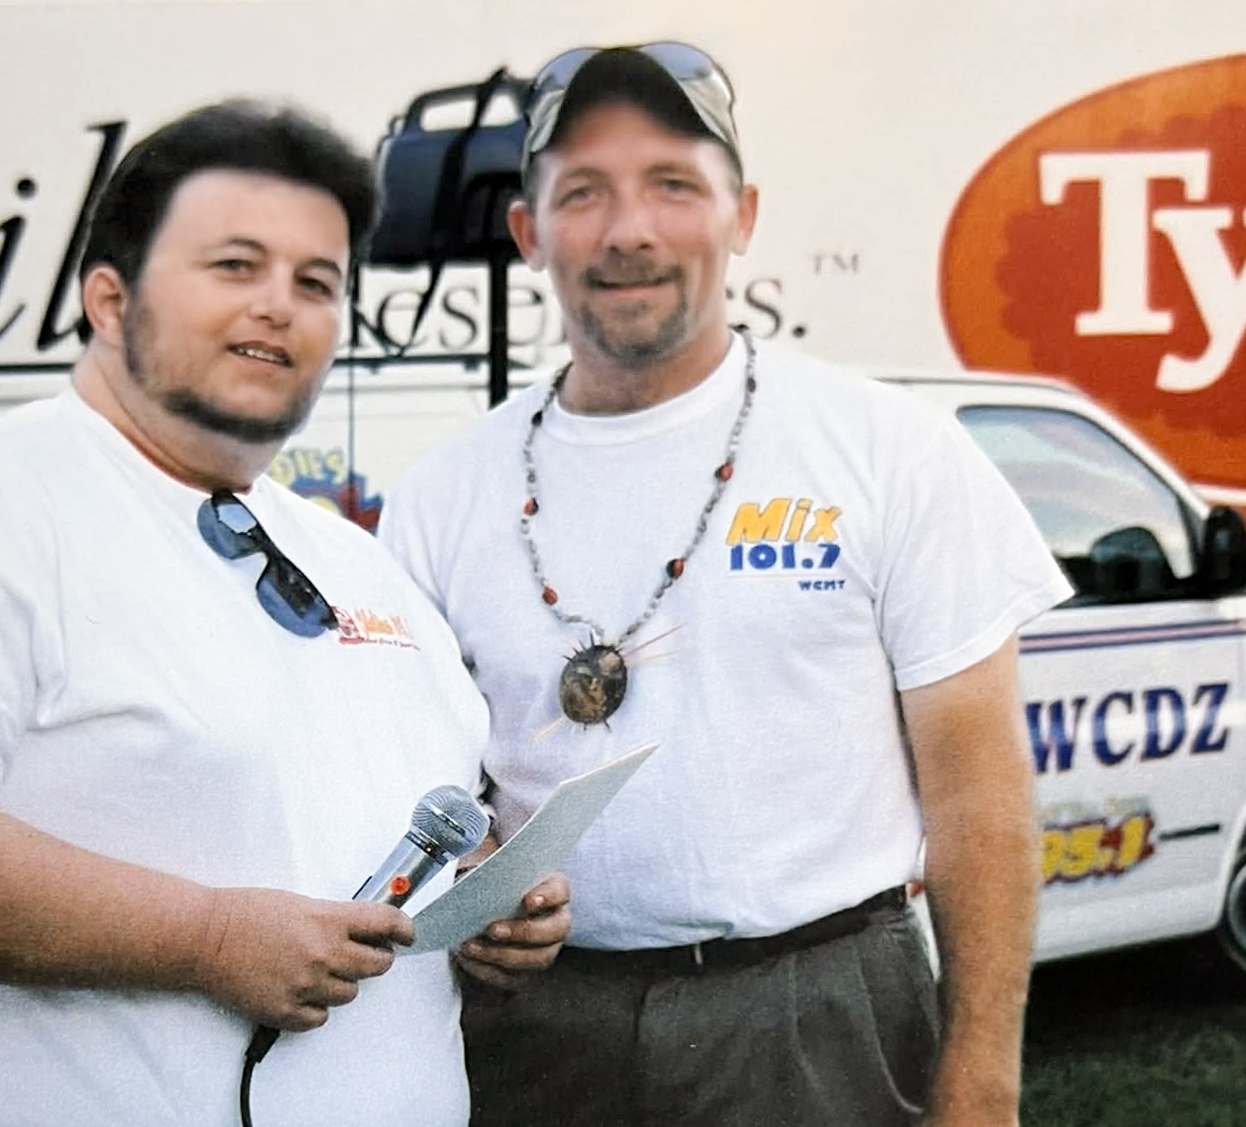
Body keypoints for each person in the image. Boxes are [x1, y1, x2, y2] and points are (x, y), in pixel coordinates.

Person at [0, 100, 567, 1127]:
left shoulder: (355, 560)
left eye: (315, 282)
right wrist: (209, 938)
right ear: (109, 298)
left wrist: (477, 904)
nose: (279, 306)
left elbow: (383, 815)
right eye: (233, 265)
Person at [378, 43, 1073, 1127]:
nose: (628, 231)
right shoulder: (436, 496)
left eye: (672, 184)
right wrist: (472, 890)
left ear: (740, 214)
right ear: (528, 233)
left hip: (820, 1015)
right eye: (582, 193)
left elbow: (979, 797)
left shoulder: (889, 450)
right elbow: (410, 777)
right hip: (535, 1038)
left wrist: (979, 1080)